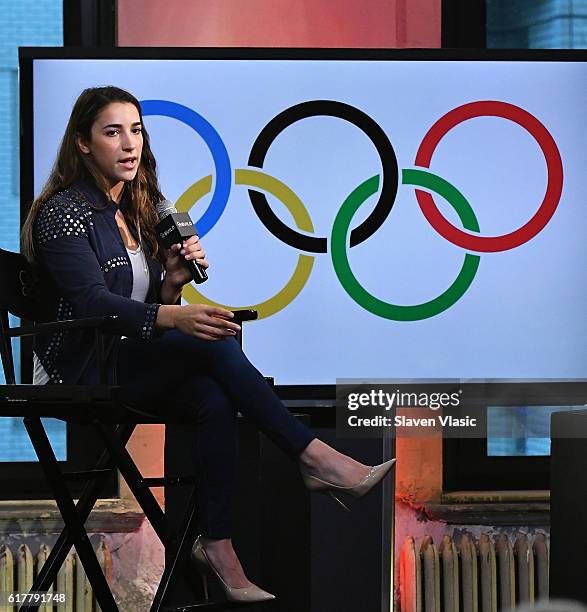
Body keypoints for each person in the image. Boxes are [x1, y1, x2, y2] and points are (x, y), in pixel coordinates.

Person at [21, 86, 394, 604]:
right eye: (112, 132)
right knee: (213, 341)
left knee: (213, 394)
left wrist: (172, 283)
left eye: (136, 130)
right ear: (83, 143)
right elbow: (90, 305)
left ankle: (216, 543)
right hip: (82, 367)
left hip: (125, 359)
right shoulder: (65, 212)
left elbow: (141, 305)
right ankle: (312, 457)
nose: (130, 144)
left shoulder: (136, 209)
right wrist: (176, 315)